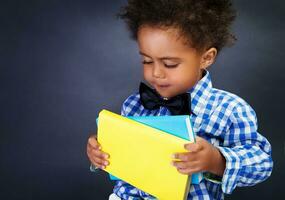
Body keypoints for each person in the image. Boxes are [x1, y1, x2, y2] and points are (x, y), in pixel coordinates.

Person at [86, 0, 273, 199]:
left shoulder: (230, 109)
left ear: (206, 58)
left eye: (170, 64)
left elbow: (262, 165)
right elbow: (123, 160)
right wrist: (99, 151)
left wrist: (216, 160)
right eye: (147, 61)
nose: (156, 73)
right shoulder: (133, 105)